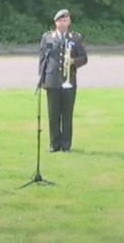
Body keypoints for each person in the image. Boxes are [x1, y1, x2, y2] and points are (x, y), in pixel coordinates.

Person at [37, 9, 88, 152]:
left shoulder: (75, 38)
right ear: (55, 22)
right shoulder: (47, 38)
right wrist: (42, 79)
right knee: (53, 115)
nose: (62, 23)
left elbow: (84, 58)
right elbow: (42, 60)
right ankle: (54, 144)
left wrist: (73, 61)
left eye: (65, 20)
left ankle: (66, 145)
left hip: (69, 81)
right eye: (60, 21)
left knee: (67, 115)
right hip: (52, 80)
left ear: (69, 22)